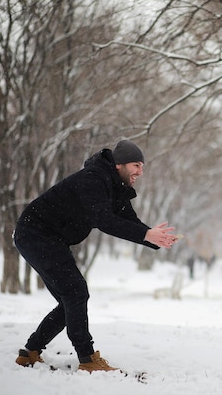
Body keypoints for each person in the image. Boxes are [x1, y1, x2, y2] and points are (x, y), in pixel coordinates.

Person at [13, 140, 181, 373]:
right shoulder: (93, 179)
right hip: (35, 233)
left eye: (142, 166)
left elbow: (127, 221)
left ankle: (30, 352)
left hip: (49, 238)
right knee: (75, 292)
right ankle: (87, 358)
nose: (140, 172)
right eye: (136, 165)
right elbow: (103, 220)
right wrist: (146, 234)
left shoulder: (115, 187)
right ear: (119, 165)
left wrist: (153, 238)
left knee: (70, 301)